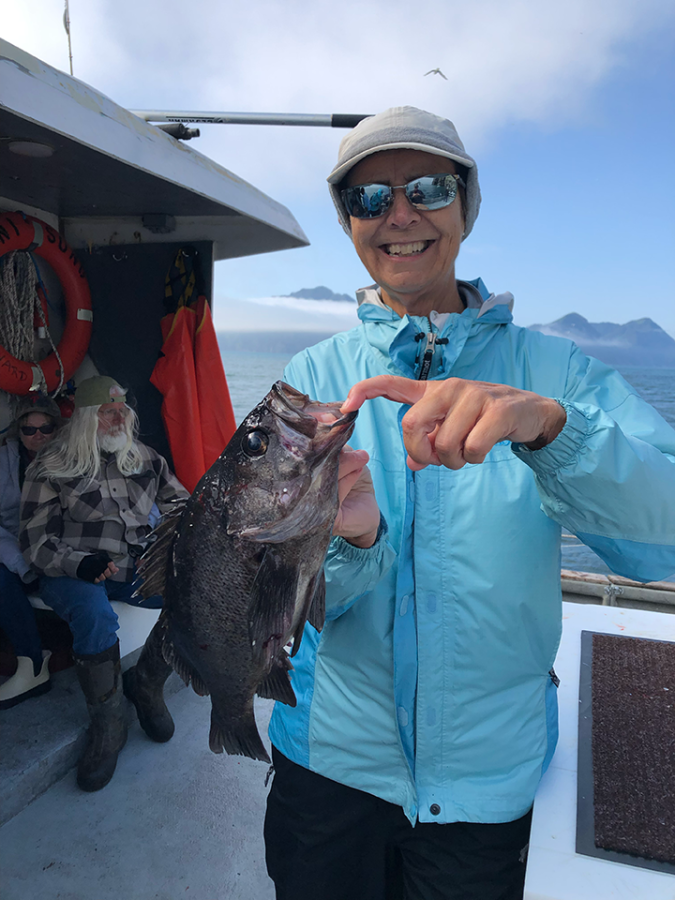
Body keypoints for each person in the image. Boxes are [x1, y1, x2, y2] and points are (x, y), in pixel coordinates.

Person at [263, 107, 675, 900]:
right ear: (348, 222)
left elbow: (660, 544)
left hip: (486, 779)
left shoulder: (555, 373)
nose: (399, 214)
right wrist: (350, 542)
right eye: (368, 197)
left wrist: (553, 432)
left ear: (465, 206)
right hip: (327, 763)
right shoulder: (312, 375)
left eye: (427, 187)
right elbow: (292, 600)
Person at [19, 375, 189, 792]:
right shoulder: (50, 466)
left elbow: (183, 505)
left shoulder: (145, 458)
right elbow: (33, 542)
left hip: (133, 566)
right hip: (72, 571)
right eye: (107, 411)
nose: (118, 418)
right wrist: (78, 563)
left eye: (123, 410)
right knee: (93, 614)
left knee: (188, 596)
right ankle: (109, 722)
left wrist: (175, 542)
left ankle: (146, 684)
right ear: (84, 418)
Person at [0, 395, 62, 709]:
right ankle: (31, 660)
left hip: (59, 552)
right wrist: (18, 559)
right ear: (18, 432)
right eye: (28, 429)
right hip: (16, 553)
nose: (37, 435)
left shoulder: (70, 461)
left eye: (46, 427)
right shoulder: (3, 462)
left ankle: (35, 663)